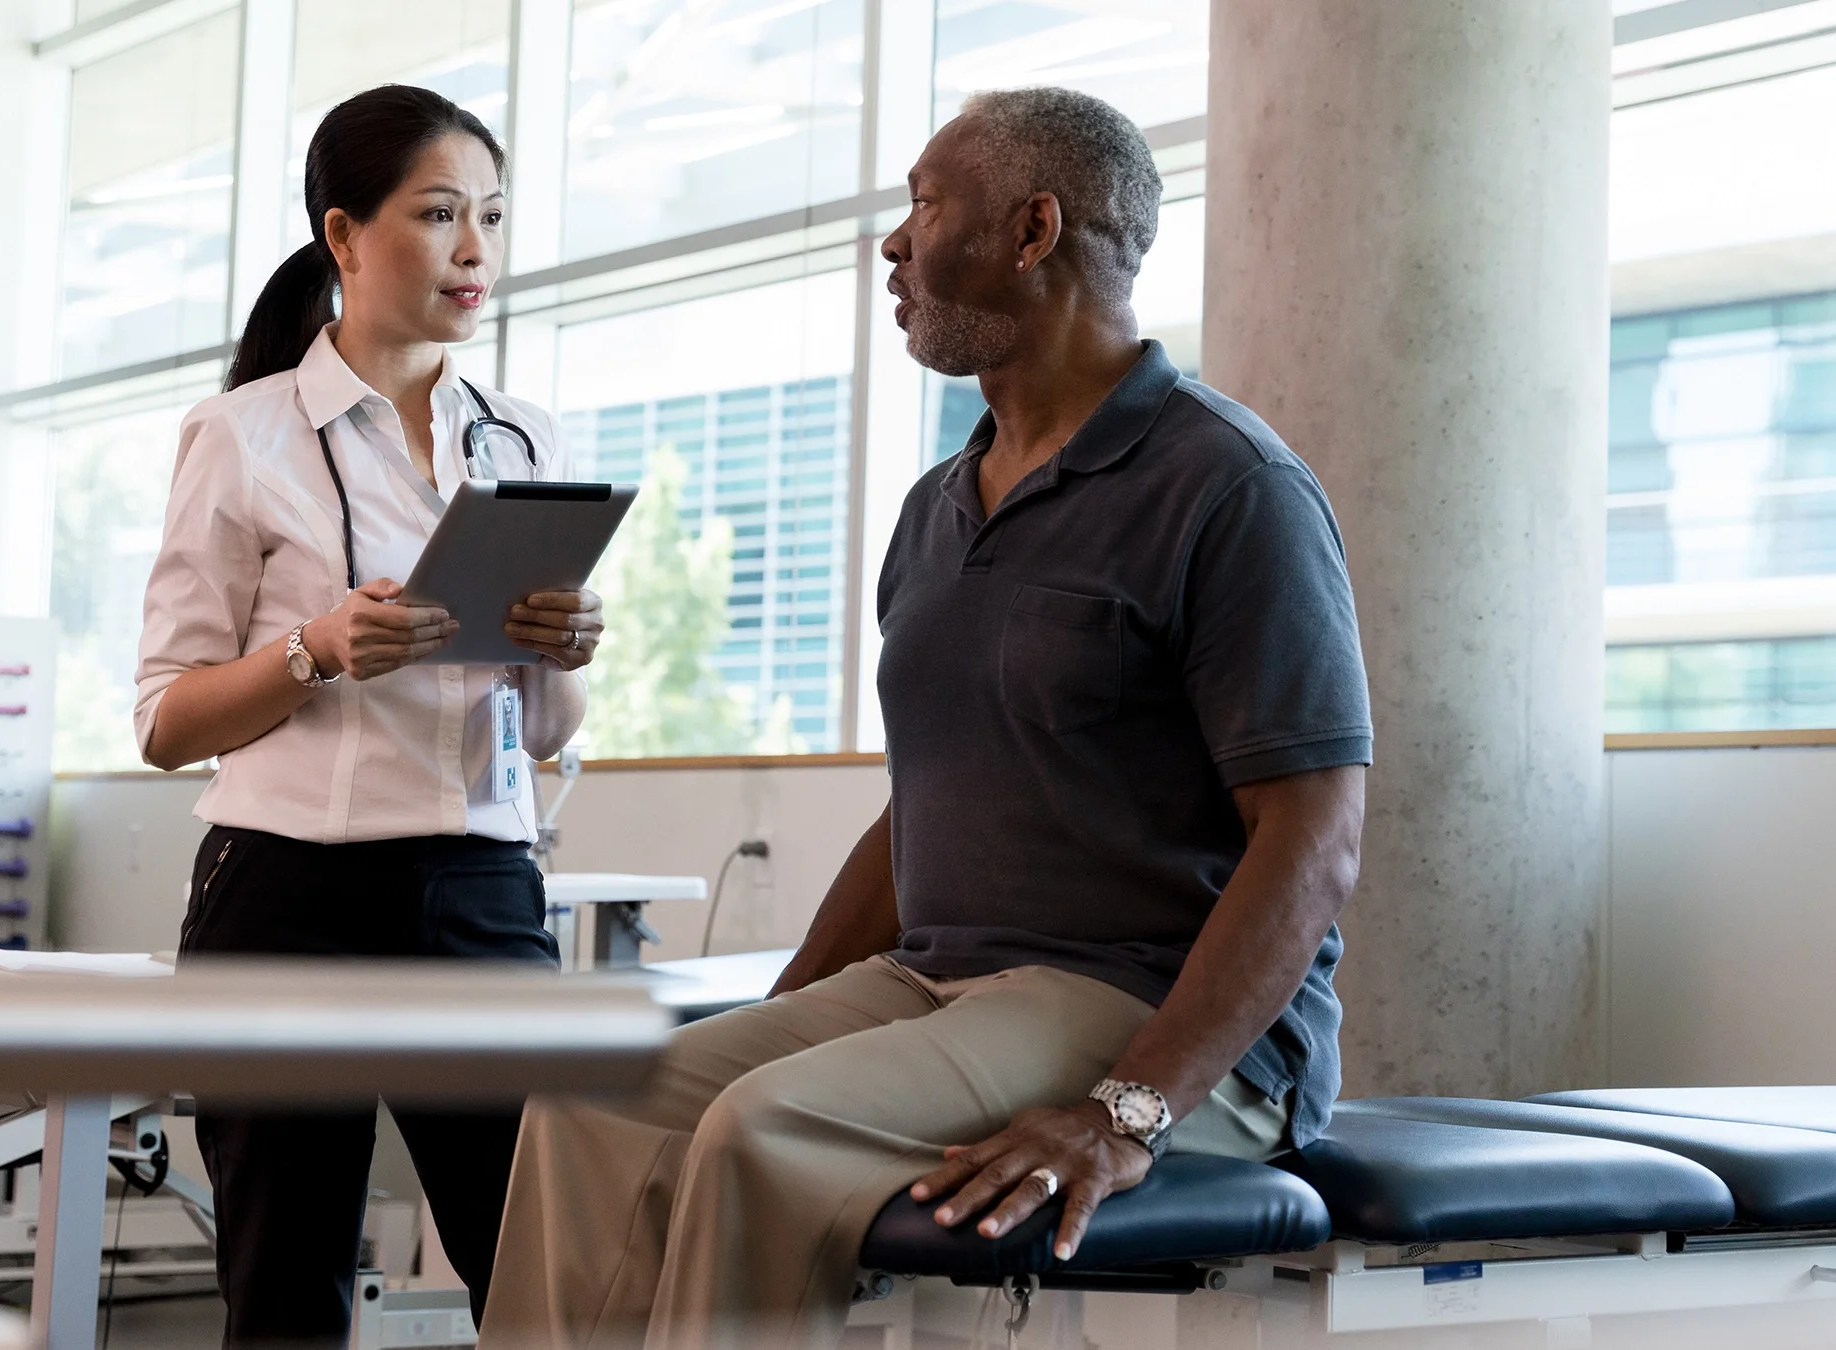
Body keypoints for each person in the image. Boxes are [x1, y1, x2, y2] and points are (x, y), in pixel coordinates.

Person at [481, 86, 1372, 1350]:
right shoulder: (939, 505)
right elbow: (931, 803)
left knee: (762, 1126)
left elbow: (1314, 842)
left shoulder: (1229, 486)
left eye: (922, 205)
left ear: (1032, 228)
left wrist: (1130, 1112)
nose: (891, 245)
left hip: (1147, 1007)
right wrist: (769, 1024)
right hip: (941, 983)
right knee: (596, 1104)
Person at [134, 85, 604, 1347]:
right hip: (287, 900)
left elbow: (544, 729)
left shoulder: (524, 440)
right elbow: (166, 722)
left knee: (538, 1282)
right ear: (344, 237)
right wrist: (313, 650)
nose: (476, 252)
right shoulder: (240, 437)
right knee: (286, 1298)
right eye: (440, 214)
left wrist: (566, 651)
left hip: (482, 894)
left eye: (492, 220)